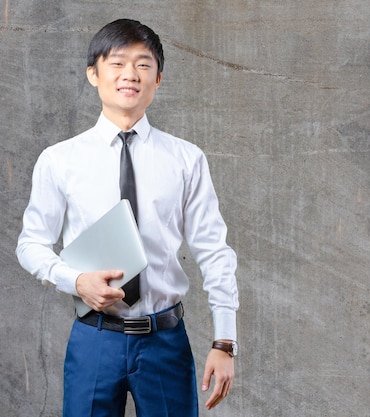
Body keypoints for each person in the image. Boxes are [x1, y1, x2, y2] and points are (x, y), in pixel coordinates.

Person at [16, 18, 239, 417]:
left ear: (158, 79)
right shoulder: (60, 160)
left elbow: (214, 250)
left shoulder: (186, 160)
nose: (130, 75)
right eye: (117, 63)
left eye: (143, 64)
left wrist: (225, 342)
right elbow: (31, 244)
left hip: (165, 342)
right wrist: (76, 280)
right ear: (93, 74)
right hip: (94, 339)